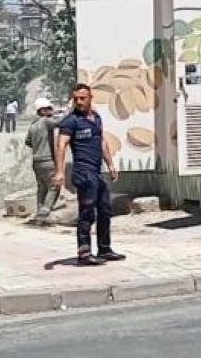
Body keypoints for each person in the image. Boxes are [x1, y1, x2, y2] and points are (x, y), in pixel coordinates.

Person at [52, 84, 125, 266]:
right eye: (76, 98)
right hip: (83, 173)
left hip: (97, 172)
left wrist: (110, 164)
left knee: (105, 211)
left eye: (82, 98)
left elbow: (101, 142)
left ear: (90, 97)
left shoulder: (96, 118)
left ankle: (104, 249)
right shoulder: (71, 121)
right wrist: (60, 171)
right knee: (87, 213)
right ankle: (84, 253)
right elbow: (61, 145)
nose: (79, 102)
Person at [25, 98, 64, 224]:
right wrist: (71, 111)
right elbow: (60, 122)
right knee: (54, 185)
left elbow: (28, 142)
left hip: (36, 161)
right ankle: (45, 212)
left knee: (42, 187)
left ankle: (39, 211)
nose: (51, 111)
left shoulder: (33, 125)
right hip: (47, 160)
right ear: (42, 110)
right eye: (48, 109)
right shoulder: (46, 121)